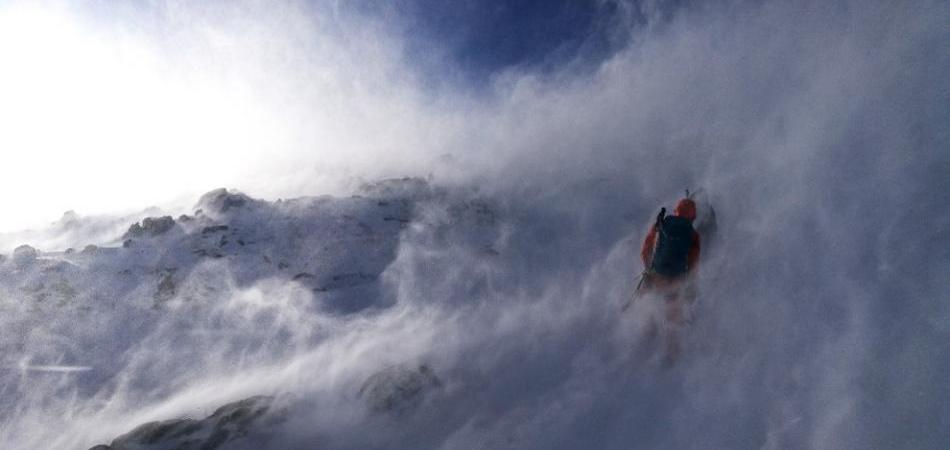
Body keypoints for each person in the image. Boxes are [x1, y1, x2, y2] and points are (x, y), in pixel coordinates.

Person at [639, 197, 701, 365]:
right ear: (693, 216)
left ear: (676, 211)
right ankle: (671, 354)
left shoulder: (661, 224)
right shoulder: (693, 235)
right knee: (672, 315)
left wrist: (649, 269)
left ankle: (646, 336)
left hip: (655, 276)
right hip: (675, 281)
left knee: (651, 302)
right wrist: (688, 283)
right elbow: (693, 263)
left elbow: (645, 250)